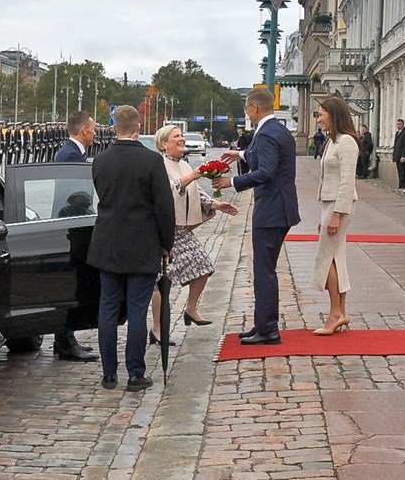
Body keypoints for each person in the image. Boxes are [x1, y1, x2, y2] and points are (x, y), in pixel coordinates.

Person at [89, 106, 175, 391]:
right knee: (137, 310)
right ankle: (136, 373)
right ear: (138, 127)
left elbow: (103, 197)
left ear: (114, 127)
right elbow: (164, 207)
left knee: (108, 308)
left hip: (108, 244)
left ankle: (108, 374)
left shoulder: (100, 160)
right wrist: (167, 243)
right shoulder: (151, 160)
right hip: (142, 244)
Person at [216, 89, 300, 345]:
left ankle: (268, 329)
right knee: (265, 268)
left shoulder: (264, 134)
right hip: (281, 207)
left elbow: (266, 171)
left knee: (264, 271)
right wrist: (241, 154)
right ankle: (263, 322)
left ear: (254, 108)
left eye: (246, 109)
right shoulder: (278, 130)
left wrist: (232, 182)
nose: (246, 113)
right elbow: (266, 156)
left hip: (272, 210)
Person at [151, 125, 239, 343]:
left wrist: (217, 204)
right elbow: (167, 190)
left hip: (182, 229)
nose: (182, 138)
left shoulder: (183, 163)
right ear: (164, 143)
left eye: (182, 135)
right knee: (160, 281)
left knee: (203, 266)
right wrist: (192, 176)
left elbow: (196, 193)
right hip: (165, 230)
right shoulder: (159, 165)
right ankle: (157, 329)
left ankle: (190, 309)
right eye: (176, 136)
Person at [51, 110, 100, 362]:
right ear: (83, 130)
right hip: (73, 225)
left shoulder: (72, 152)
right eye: (93, 128)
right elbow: (75, 195)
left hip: (72, 223)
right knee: (71, 287)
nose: (95, 132)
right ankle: (66, 343)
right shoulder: (70, 155)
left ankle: (65, 339)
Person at [312, 97, 360, 335]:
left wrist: (336, 215)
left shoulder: (347, 142)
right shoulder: (333, 141)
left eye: (321, 114)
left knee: (326, 258)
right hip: (329, 205)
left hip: (339, 206)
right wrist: (325, 214)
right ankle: (342, 312)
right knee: (336, 257)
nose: (319, 118)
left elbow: (347, 182)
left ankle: (334, 314)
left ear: (333, 115)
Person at [394, 118, 405, 190]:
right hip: (397, 156)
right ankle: (400, 186)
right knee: (399, 172)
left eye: (400, 124)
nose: (398, 125)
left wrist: (404, 156)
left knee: (402, 172)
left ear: (403, 125)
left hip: (402, 157)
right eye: (397, 124)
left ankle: (402, 187)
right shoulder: (397, 133)